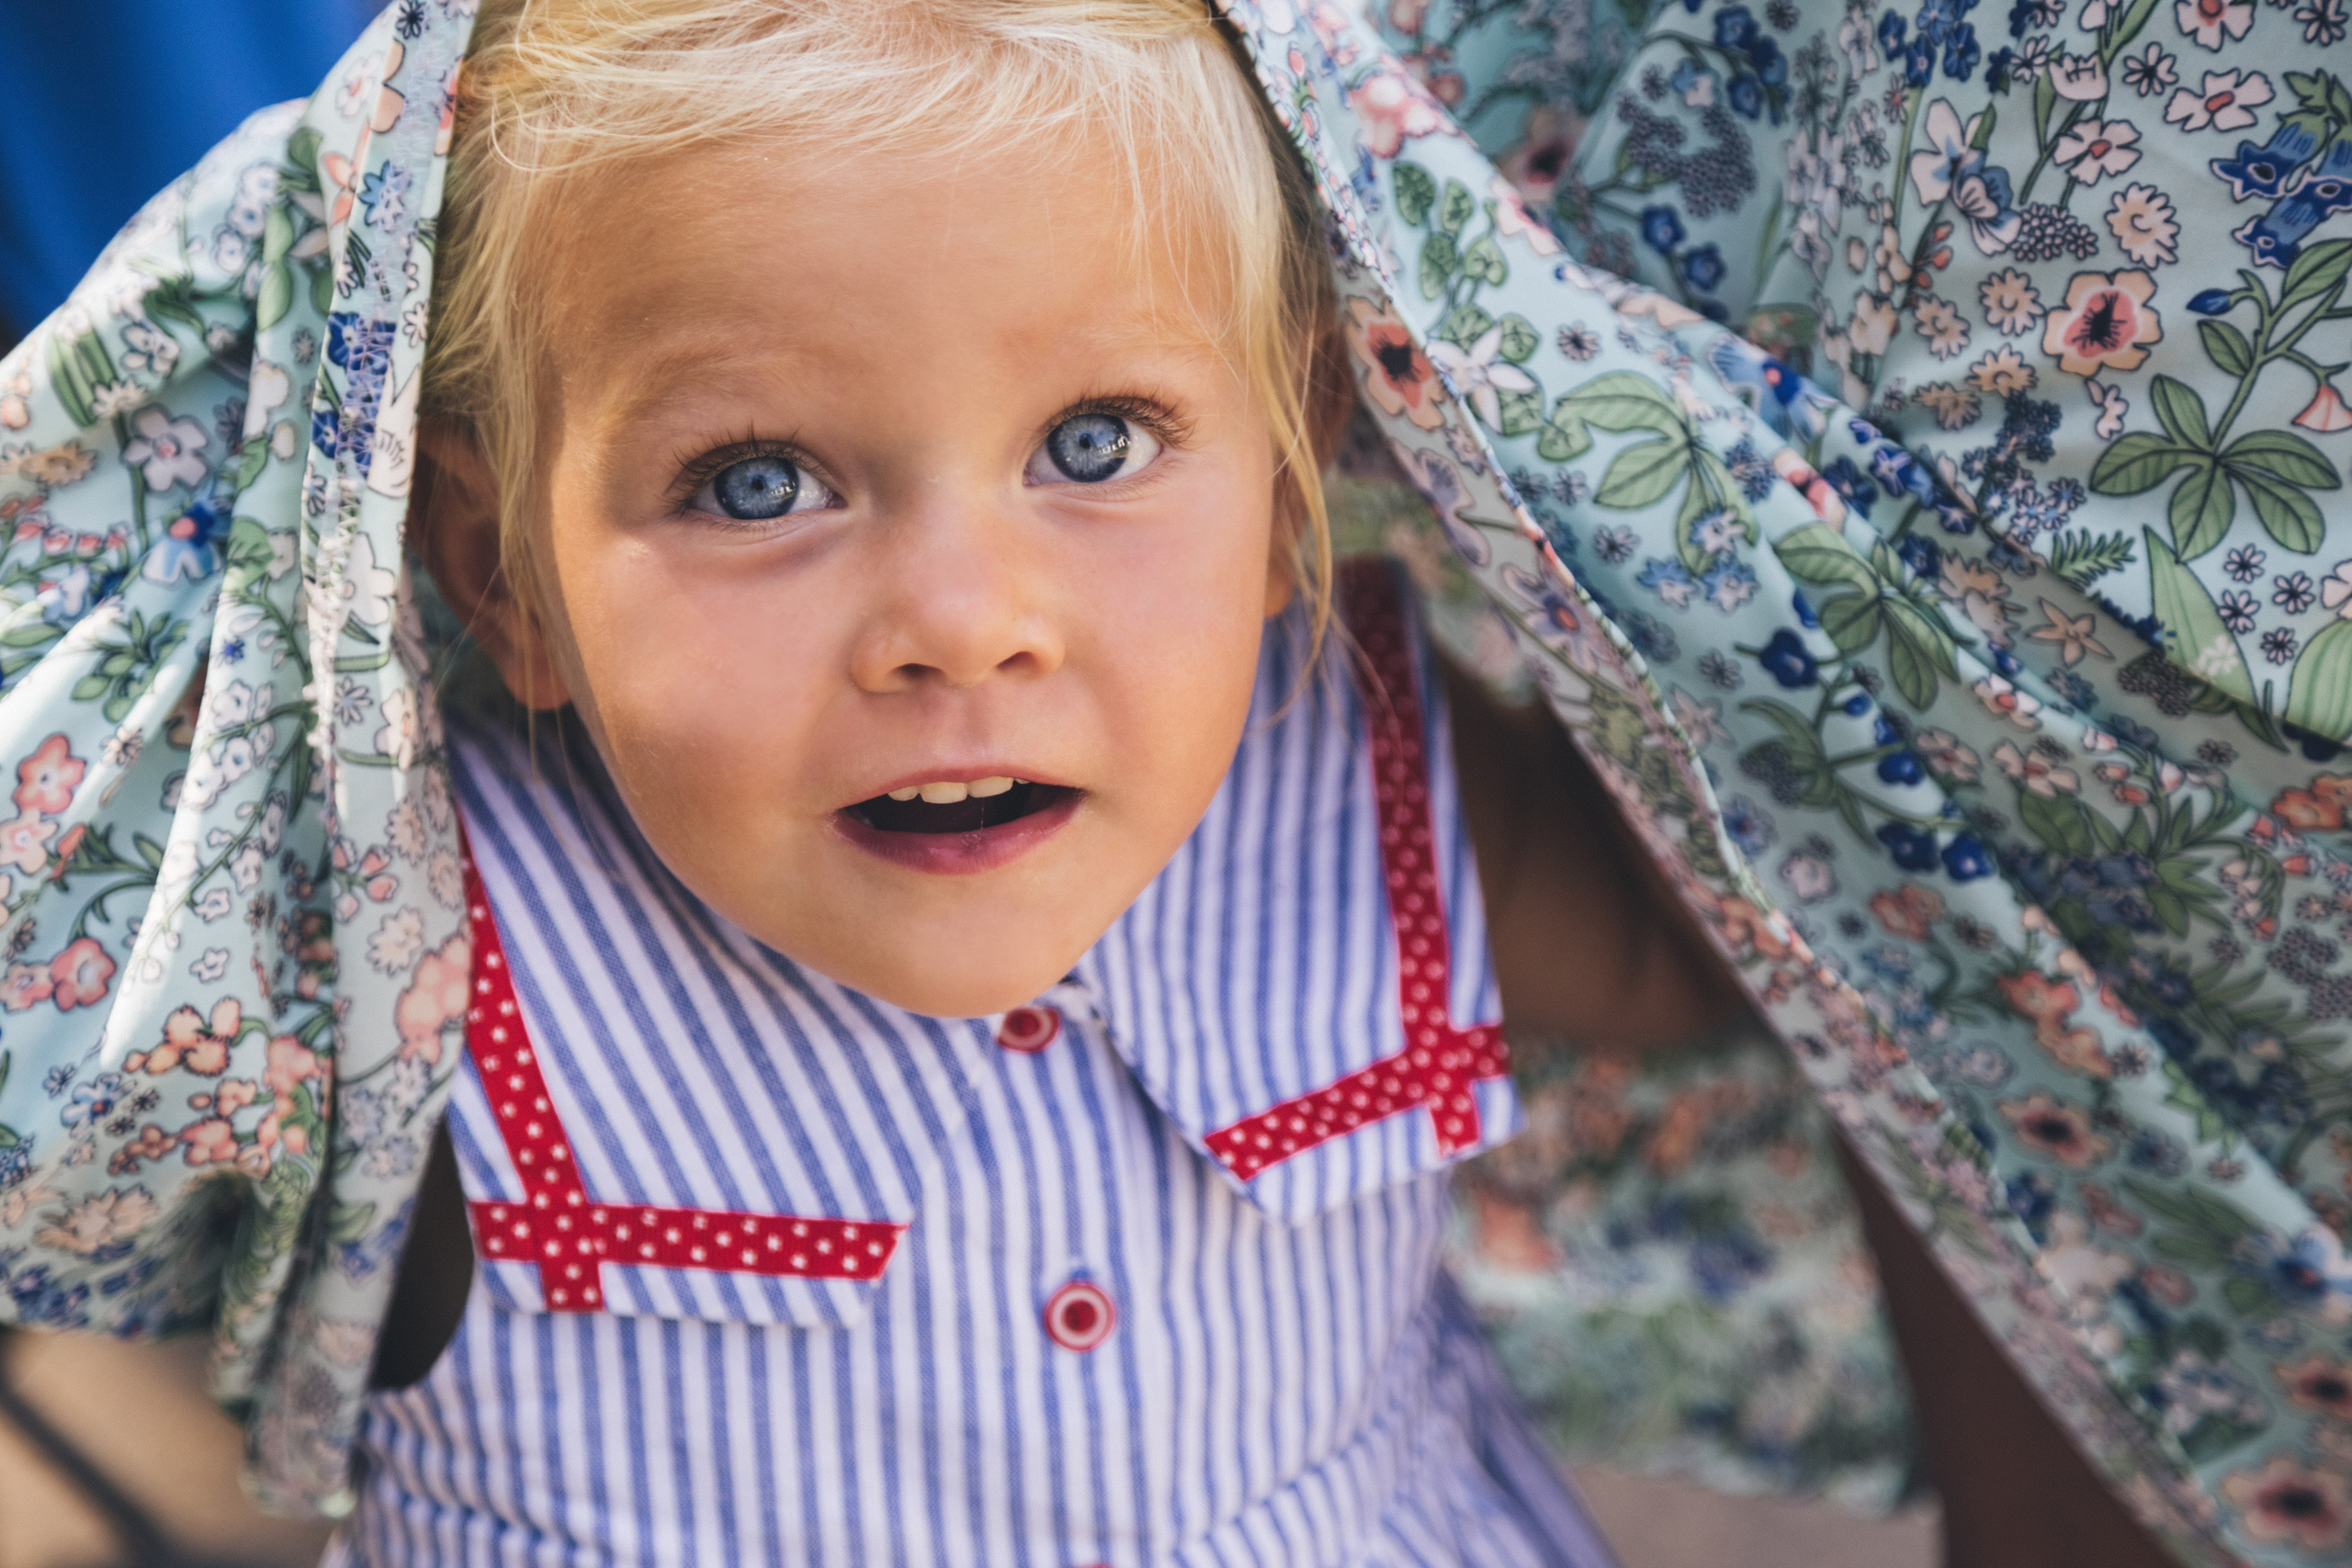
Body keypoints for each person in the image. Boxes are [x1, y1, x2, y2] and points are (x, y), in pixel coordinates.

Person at [5, 2, 2349, 1566]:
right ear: (495, 568)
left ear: (1300, 471)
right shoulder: (391, 912)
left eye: (1097, 444)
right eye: (750, 483)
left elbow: (1827, 953)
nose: (959, 613)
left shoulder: (1373, 769)